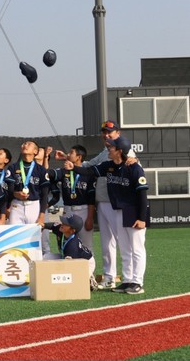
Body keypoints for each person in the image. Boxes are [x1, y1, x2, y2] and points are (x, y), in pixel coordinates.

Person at [54, 120, 137, 290]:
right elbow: (88, 166)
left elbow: (136, 171)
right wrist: (67, 159)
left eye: (110, 132)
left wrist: (133, 160)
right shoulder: (104, 152)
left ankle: (130, 278)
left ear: (118, 133)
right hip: (103, 202)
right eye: (104, 132)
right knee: (107, 243)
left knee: (123, 242)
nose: (106, 135)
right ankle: (109, 277)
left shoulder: (127, 152)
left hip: (118, 203)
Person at [66, 135, 150, 295]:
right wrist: (73, 168)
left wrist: (141, 218)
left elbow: (142, 195)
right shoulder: (109, 165)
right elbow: (90, 171)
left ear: (119, 150)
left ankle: (137, 282)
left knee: (137, 248)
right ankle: (127, 280)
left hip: (133, 211)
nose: (108, 149)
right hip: (118, 210)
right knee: (124, 248)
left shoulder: (134, 168)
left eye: (111, 147)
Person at [46, 145, 96, 252]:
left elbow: (91, 199)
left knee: (87, 245)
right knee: (67, 242)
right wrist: (46, 157)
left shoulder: (87, 173)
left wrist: (90, 218)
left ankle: (88, 263)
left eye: (71, 152)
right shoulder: (64, 171)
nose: (68, 154)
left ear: (79, 157)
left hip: (84, 210)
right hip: (68, 210)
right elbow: (48, 173)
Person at [41, 214, 98, 291]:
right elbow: (52, 225)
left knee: (73, 282)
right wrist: (43, 225)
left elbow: (70, 268)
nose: (62, 224)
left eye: (65, 224)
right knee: (46, 258)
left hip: (85, 264)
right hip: (67, 258)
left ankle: (88, 277)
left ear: (72, 230)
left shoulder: (72, 246)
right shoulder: (62, 229)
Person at [5, 139, 50, 235]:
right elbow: (9, 190)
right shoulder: (13, 167)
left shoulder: (41, 170)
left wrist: (41, 216)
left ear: (35, 151)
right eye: (24, 144)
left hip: (34, 206)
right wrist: (16, 194)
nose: (25, 145)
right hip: (17, 205)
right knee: (14, 236)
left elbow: (45, 194)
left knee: (33, 237)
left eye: (29, 144)